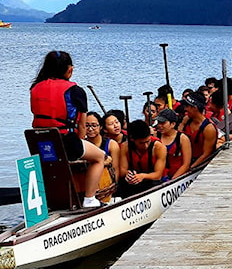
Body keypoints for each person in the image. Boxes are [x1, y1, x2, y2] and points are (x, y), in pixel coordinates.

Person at [29, 50, 105, 209]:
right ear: (69, 69)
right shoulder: (75, 90)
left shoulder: (35, 88)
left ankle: (51, 200)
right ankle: (90, 199)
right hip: (66, 143)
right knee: (99, 157)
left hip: (40, 144)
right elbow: (82, 126)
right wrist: (82, 140)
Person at [118, 120, 166, 197]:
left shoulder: (159, 147)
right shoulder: (125, 147)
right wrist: (128, 174)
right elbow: (122, 170)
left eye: (148, 141)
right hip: (134, 180)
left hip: (153, 181)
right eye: (141, 143)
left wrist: (142, 176)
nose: (146, 146)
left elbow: (158, 175)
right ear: (132, 139)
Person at [82, 111, 120, 202]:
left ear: (101, 127)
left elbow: (116, 169)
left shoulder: (111, 144)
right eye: (87, 126)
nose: (90, 129)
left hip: (107, 187)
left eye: (94, 125)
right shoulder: (83, 145)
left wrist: (111, 189)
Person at [180, 91, 218, 166]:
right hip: (184, 160)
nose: (185, 109)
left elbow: (206, 154)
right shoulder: (186, 120)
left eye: (187, 106)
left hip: (198, 162)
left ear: (195, 108)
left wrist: (190, 168)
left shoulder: (209, 129)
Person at [156, 108, 191, 180]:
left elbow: (186, 165)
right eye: (159, 122)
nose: (159, 125)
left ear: (173, 124)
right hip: (159, 176)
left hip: (177, 177)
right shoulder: (155, 136)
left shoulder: (183, 139)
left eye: (163, 123)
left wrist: (173, 180)